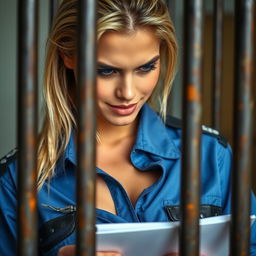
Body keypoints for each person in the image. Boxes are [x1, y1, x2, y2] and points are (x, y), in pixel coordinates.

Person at [0, 0, 255, 255]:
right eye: (106, 71)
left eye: (146, 67)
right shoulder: (17, 179)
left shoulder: (211, 155)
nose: (128, 93)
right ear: (68, 56)